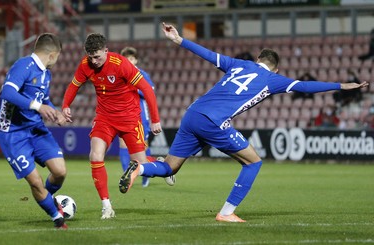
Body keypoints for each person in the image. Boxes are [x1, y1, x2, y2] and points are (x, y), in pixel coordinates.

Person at [119, 22, 369, 223]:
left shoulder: (239, 65)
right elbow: (305, 86)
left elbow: (208, 54)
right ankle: (226, 212)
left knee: (171, 167)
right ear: (274, 67)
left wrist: (178, 39)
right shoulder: (272, 79)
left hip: (192, 113)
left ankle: (141, 169)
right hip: (214, 121)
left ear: (258, 58)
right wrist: (341, 85)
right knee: (254, 162)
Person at [61, 33, 173, 220]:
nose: (94, 61)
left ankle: (162, 166)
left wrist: (155, 119)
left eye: (98, 56)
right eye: (91, 57)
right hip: (104, 118)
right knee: (95, 155)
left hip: (130, 119)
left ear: (106, 50)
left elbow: (146, 89)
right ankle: (107, 206)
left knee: (141, 164)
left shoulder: (121, 64)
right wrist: (65, 105)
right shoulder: (85, 65)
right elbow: (74, 85)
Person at [0, 33, 70, 229]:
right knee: (35, 182)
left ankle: (47, 196)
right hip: (12, 132)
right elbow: (7, 93)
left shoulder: (46, 73)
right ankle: (56, 217)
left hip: (35, 128)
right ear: (53, 54)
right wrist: (38, 107)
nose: (58, 60)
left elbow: (42, 99)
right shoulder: (23, 65)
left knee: (60, 171)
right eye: (59, 56)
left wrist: (55, 112)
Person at [119, 46, 154, 188]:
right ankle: (126, 176)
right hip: (123, 114)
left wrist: (134, 88)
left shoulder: (142, 74)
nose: (129, 61)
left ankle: (146, 175)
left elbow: (149, 91)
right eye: (127, 58)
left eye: (132, 58)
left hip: (140, 115)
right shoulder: (120, 75)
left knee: (143, 147)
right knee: (122, 144)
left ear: (136, 60)